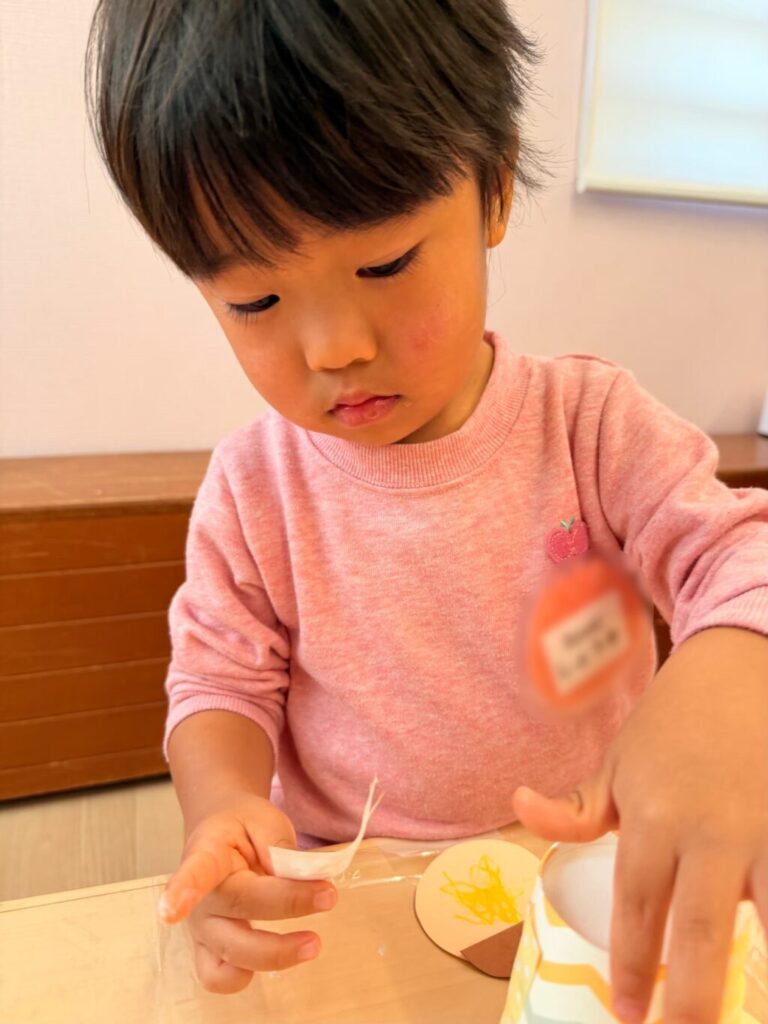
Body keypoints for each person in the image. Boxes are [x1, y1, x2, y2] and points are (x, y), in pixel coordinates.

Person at [85, 2, 768, 1020]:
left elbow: (736, 558)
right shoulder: (255, 487)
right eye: (255, 302)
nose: (335, 347)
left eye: (385, 264)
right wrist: (222, 808)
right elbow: (219, 681)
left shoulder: (592, 427)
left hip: (574, 871)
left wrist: (732, 682)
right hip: (347, 893)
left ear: (494, 188)